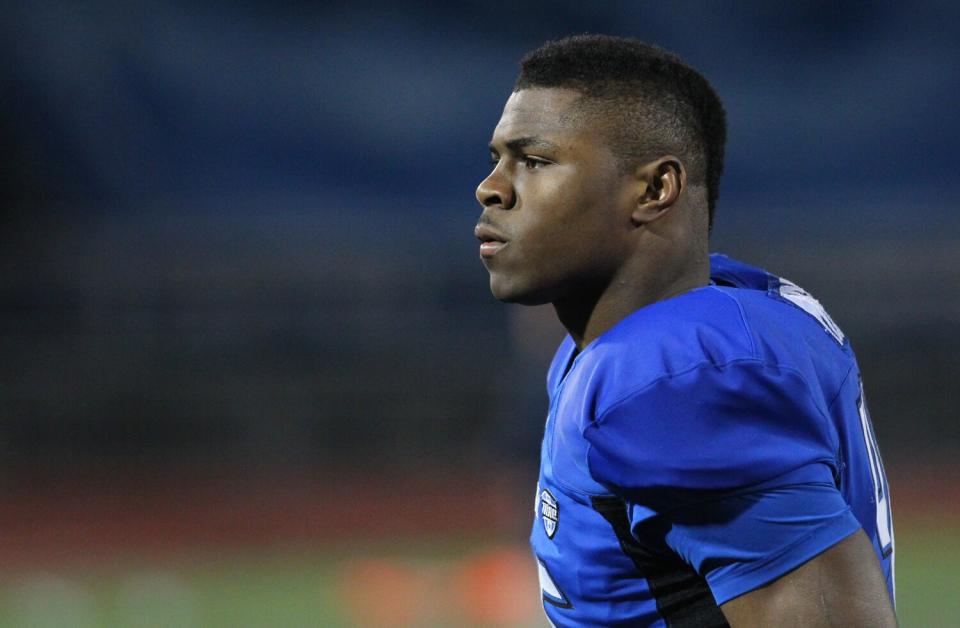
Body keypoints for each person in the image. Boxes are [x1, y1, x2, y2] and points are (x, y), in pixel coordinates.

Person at [474, 35, 896, 627]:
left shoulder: (669, 378)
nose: (491, 188)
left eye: (535, 160)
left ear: (655, 189)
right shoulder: (724, 309)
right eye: (496, 159)